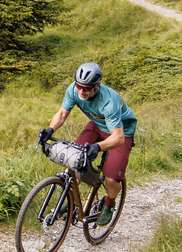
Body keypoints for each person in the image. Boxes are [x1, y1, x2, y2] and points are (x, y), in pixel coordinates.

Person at [38, 62, 136, 226]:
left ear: (97, 86)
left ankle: (110, 203)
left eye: (87, 88)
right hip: (97, 126)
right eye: (79, 86)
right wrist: (50, 130)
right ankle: (71, 200)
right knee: (72, 160)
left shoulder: (109, 101)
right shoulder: (73, 90)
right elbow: (62, 113)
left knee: (111, 180)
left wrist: (98, 147)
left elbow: (118, 138)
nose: (81, 91)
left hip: (121, 132)